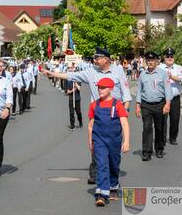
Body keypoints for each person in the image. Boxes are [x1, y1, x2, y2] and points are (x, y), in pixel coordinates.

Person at [44, 47, 132, 185]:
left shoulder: (118, 70)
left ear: (106, 59)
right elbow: (71, 76)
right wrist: (53, 74)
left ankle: (112, 174)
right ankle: (95, 174)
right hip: (98, 112)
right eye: (94, 58)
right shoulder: (91, 72)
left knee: (113, 149)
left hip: (115, 113)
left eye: (97, 58)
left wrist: (125, 109)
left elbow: (125, 90)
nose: (95, 60)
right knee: (96, 145)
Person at [88, 78, 130, 206]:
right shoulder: (94, 105)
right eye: (99, 87)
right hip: (99, 139)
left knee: (113, 164)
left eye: (103, 88)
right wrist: (90, 141)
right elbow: (90, 125)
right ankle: (102, 194)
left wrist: (126, 141)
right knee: (102, 164)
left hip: (114, 141)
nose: (100, 90)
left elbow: (124, 124)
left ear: (111, 89)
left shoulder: (117, 105)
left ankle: (113, 185)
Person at [136, 51, 172, 161]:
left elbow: (168, 90)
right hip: (146, 105)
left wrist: (168, 104)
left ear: (156, 61)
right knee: (147, 128)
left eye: (152, 60)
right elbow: (139, 91)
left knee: (159, 128)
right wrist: (137, 105)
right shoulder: (142, 74)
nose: (150, 62)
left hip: (160, 104)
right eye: (148, 60)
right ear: (146, 61)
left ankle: (159, 148)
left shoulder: (163, 73)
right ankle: (147, 152)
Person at [159, 48, 182, 145]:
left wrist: (171, 76)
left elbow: (181, 79)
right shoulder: (159, 67)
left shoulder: (179, 68)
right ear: (164, 57)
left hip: (175, 98)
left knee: (175, 119)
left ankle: (173, 137)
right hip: (163, 98)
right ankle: (162, 138)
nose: (169, 58)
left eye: (171, 56)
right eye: (167, 56)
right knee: (162, 119)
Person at [65, 64, 83, 130]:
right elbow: (67, 92)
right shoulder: (67, 79)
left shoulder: (78, 79)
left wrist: (75, 83)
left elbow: (79, 89)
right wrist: (72, 90)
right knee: (71, 113)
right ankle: (72, 125)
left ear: (74, 68)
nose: (70, 69)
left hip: (77, 98)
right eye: (69, 68)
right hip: (71, 98)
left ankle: (80, 121)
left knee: (78, 112)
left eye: (71, 68)